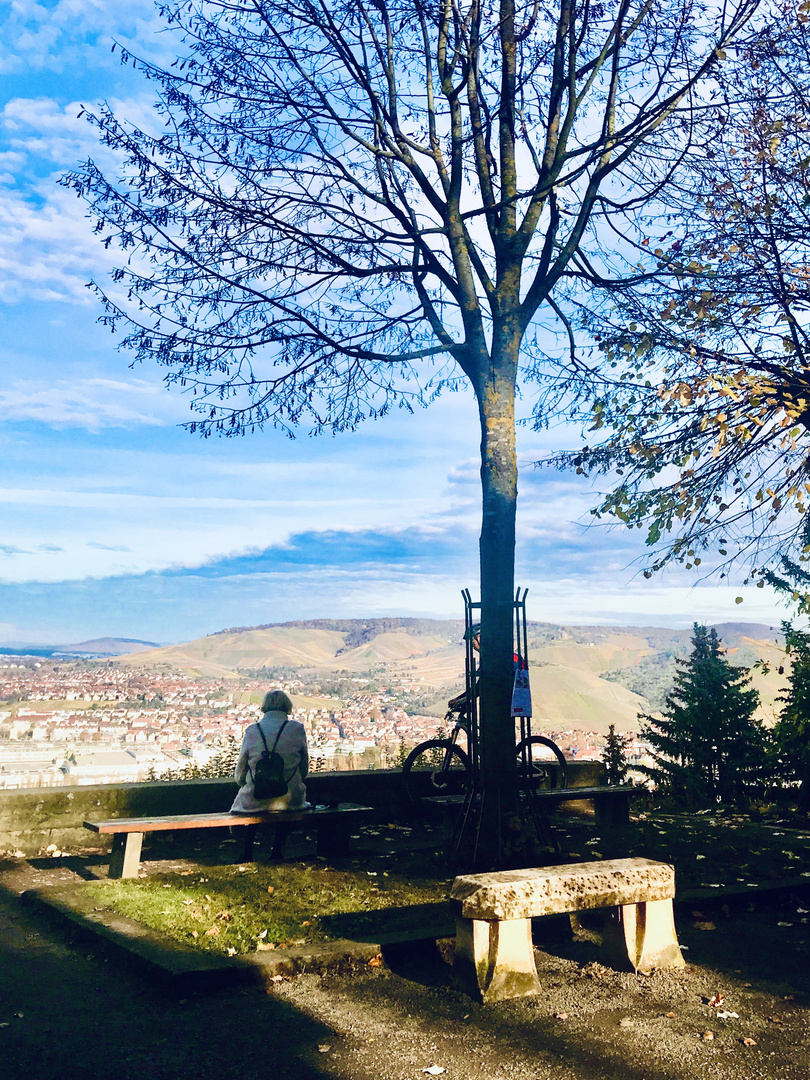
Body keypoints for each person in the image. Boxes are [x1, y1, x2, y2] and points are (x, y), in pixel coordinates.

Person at [231, 689, 310, 813]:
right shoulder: (297, 729)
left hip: (254, 802)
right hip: (291, 802)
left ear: (264, 707)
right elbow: (304, 770)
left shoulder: (252, 731)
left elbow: (239, 775)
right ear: (287, 707)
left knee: (237, 819)